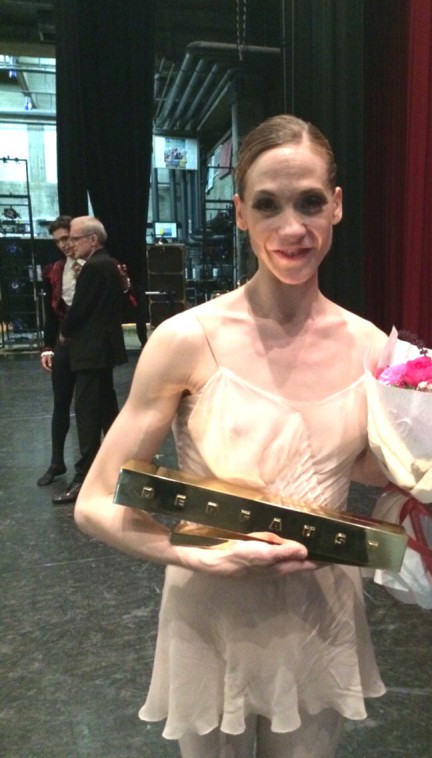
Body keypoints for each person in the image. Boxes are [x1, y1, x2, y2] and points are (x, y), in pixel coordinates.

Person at [74, 115, 394, 758]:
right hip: (211, 612)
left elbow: (358, 466)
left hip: (320, 614)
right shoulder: (187, 339)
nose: (292, 229)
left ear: (337, 206)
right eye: (267, 206)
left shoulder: (373, 347)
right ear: (241, 214)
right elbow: (95, 500)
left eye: (309, 203)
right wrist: (195, 556)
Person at [52, 216, 128, 505]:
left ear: (92, 239)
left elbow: (79, 310)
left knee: (87, 415)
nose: (71, 243)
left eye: (75, 238)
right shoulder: (108, 264)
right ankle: (121, 469)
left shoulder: (95, 267)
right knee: (107, 413)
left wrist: (64, 334)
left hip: (90, 352)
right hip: (100, 351)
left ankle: (84, 478)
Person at [37, 215, 80, 486]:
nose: (63, 245)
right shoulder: (55, 270)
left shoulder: (97, 264)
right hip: (64, 343)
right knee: (60, 403)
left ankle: (98, 465)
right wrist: (47, 347)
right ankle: (56, 462)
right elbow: (52, 313)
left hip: (91, 345)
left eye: (66, 238)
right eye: (57, 241)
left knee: (96, 408)